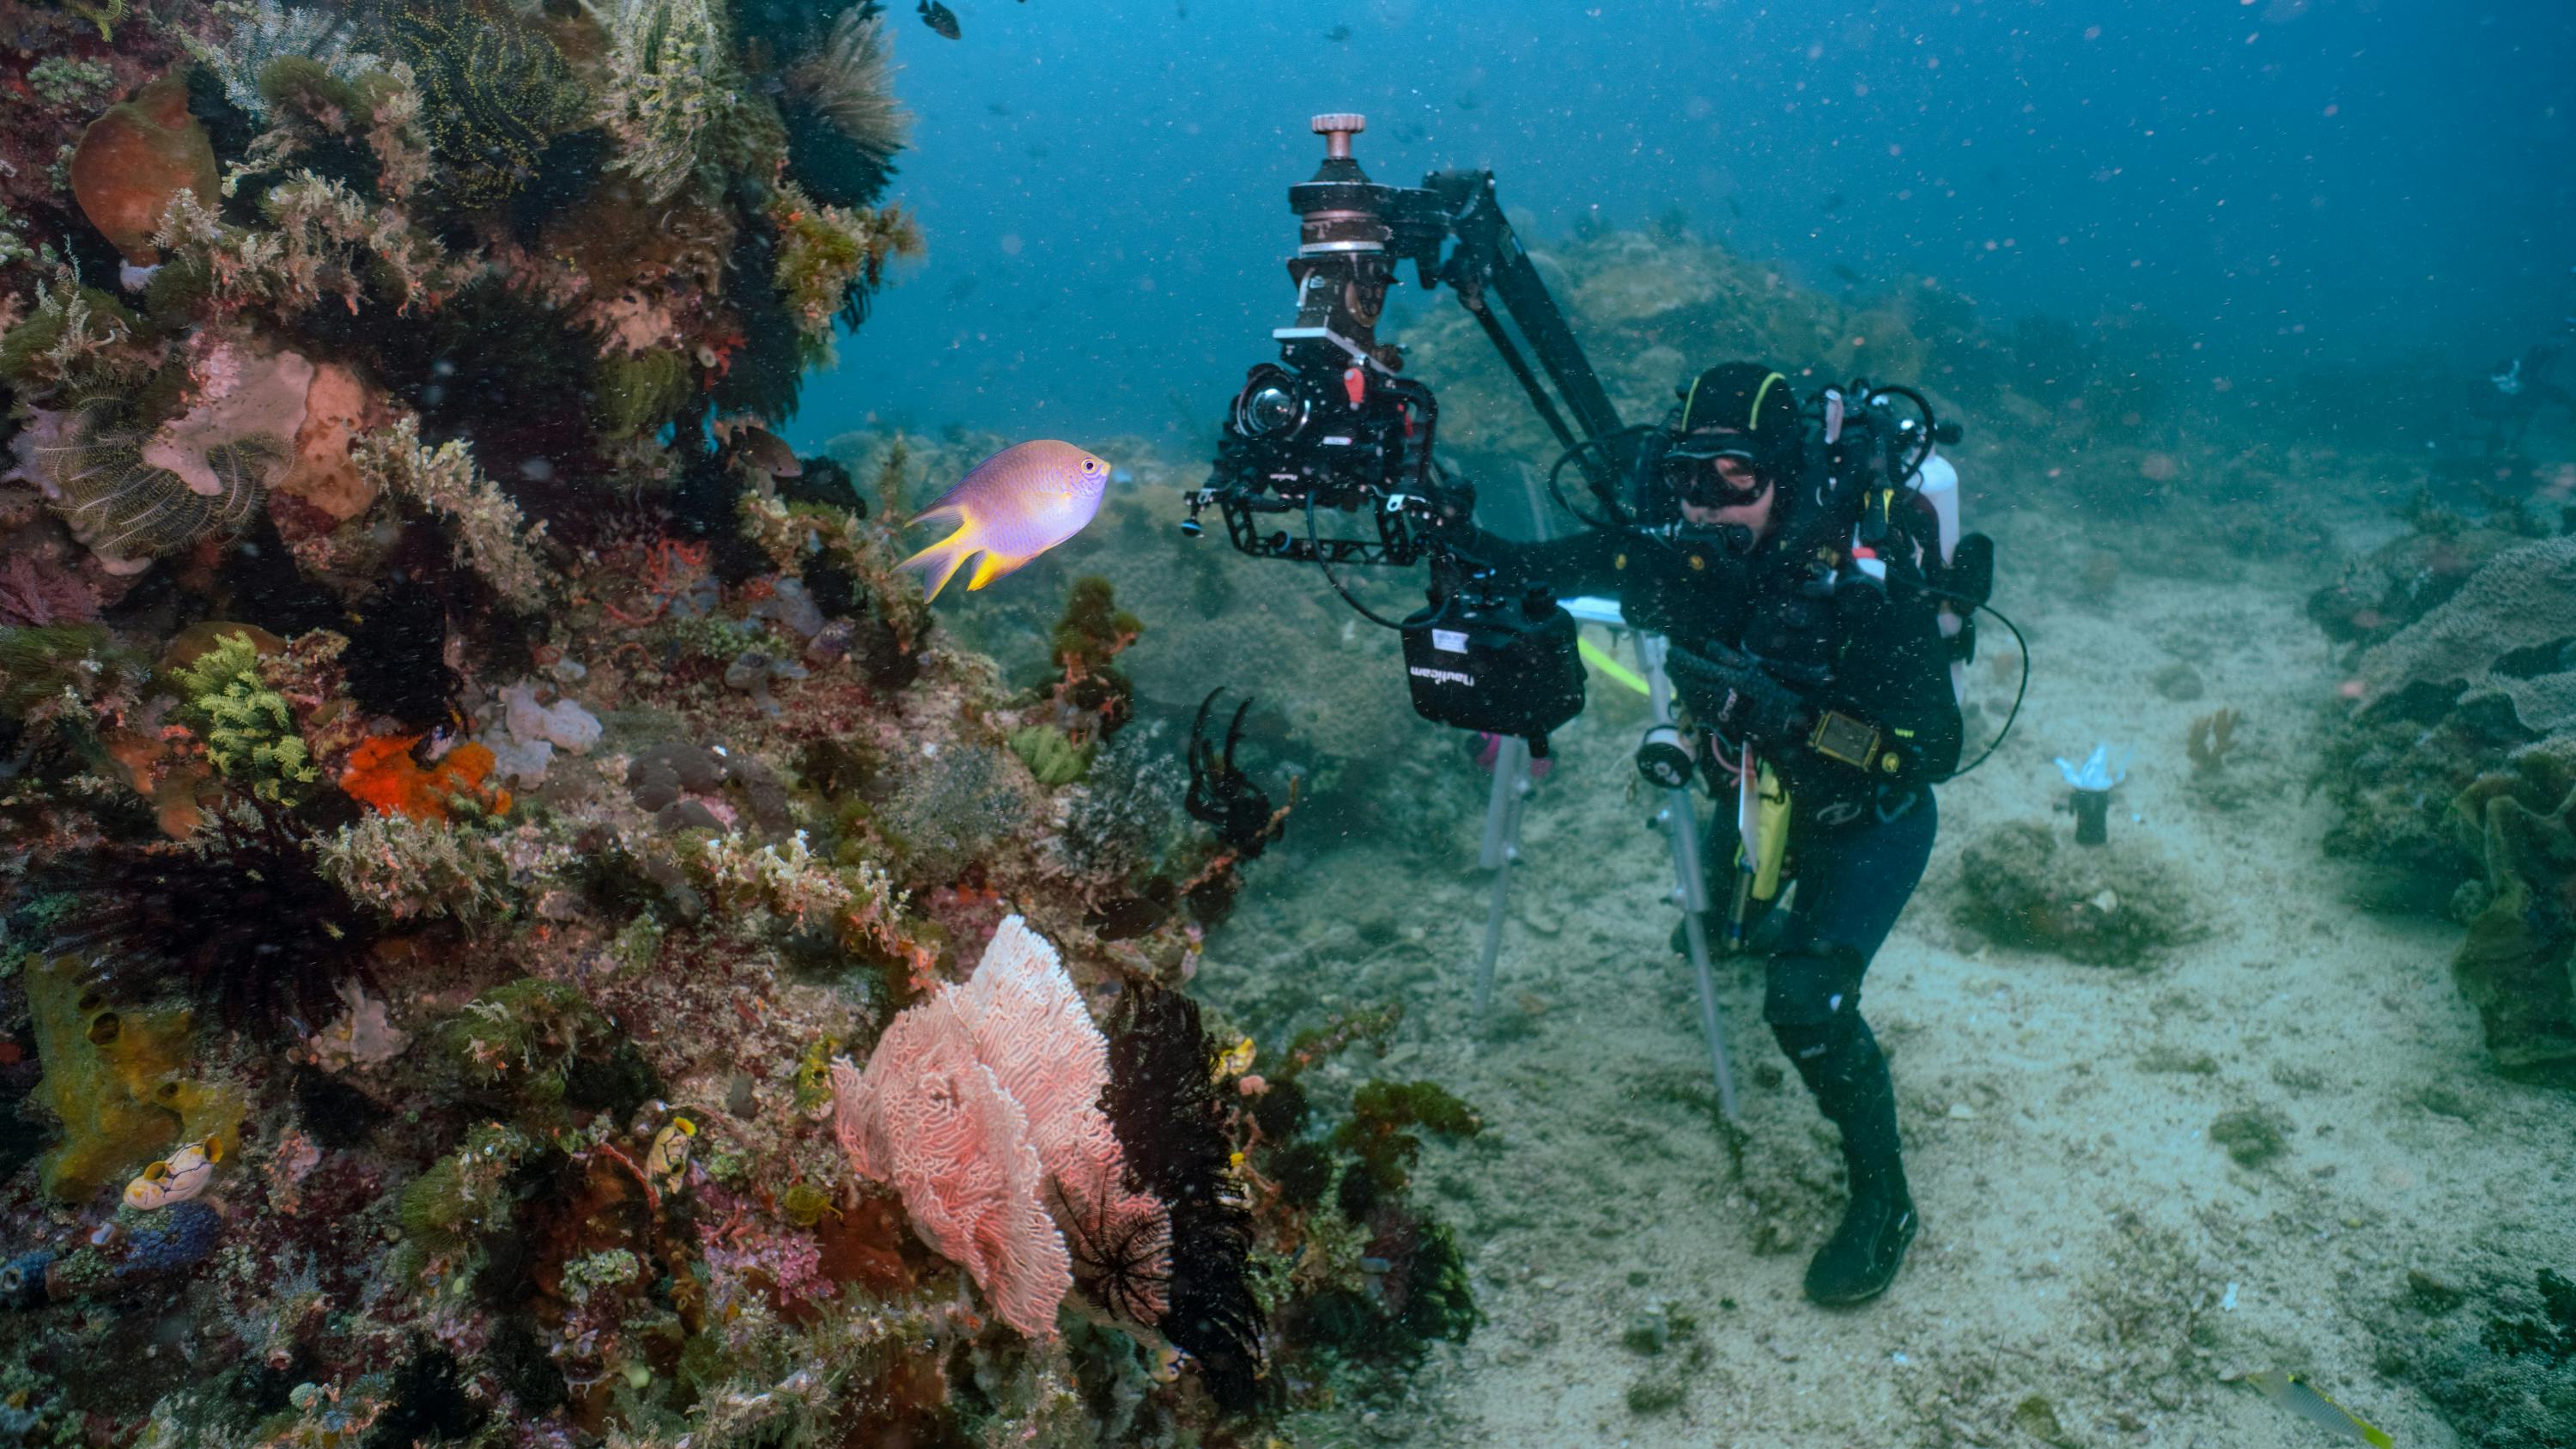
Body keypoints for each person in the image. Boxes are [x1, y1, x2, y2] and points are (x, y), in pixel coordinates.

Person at [1463, 362, 1965, 1306]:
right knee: (1728, 925)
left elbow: (1929, 754)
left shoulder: (1862, 588)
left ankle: (1885, 1199)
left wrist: (1788, 716)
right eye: (1691, 478)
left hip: (1872, 819)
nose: (1709, 507)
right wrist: (1435, 524)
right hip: (1760, 794)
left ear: (1784, 474)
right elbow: (1530, 568)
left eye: (1738, 478)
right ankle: (1751, 913)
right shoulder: (1674, 562)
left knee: (1803, 1002)